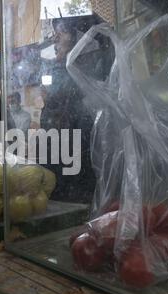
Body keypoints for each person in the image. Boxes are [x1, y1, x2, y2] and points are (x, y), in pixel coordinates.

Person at [39, 14, 114, 204]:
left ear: (82, 39)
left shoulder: (89, 86)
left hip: (78, 192)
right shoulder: (61, 77)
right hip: (57, 186)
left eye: (61, 32)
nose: (54, 38)